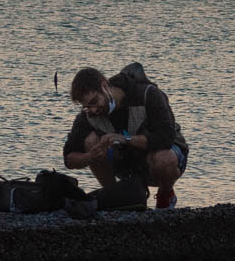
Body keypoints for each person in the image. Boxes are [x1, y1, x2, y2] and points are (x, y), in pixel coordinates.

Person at [63, 64, 189, 209]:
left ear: (104, 86)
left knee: (163, 159)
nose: (93, 110)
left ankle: (165, 195)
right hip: (126, 163)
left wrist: (126, 139)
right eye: (87, 107)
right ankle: (117, 196)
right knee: (91, 141)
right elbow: (68, 158)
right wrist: (90, 156)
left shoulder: (148, 94)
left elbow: (165, 138)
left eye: (94, 102)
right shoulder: (88, 116)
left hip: (166, 156)